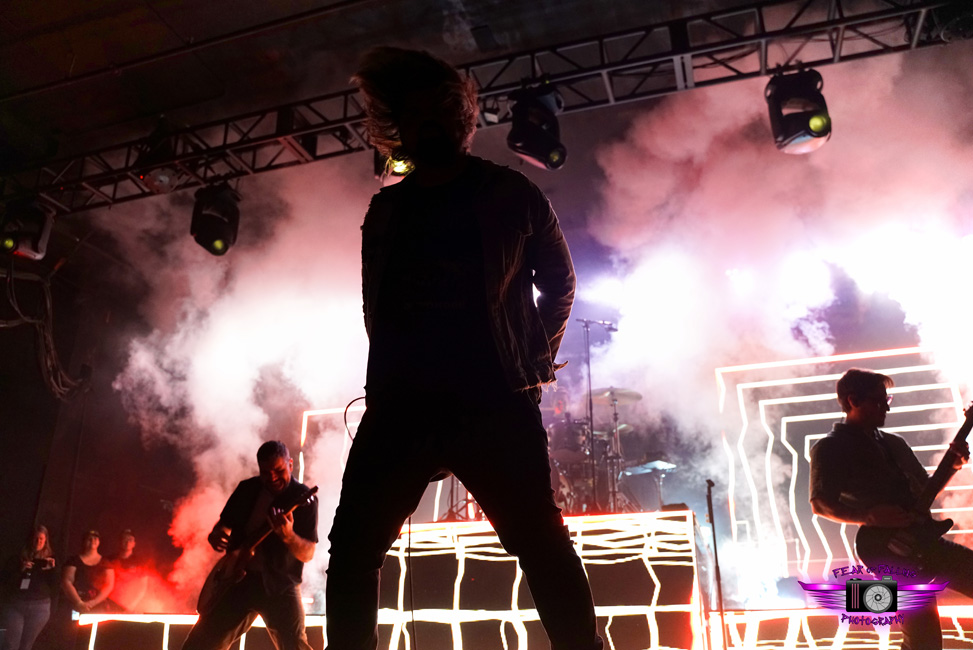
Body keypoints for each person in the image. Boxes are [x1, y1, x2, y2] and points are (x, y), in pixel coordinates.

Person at [324, 47, 602, 650]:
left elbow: (560, 283)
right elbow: (377, 307)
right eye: (414, 113)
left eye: (439, 111)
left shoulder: (512, 191)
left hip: (491, 398)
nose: (428, 123)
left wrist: (530, 363)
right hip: (403, 405)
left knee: (538, 541)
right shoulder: (387, 209)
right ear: (399, 124)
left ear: (462, 120)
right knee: (351, 548)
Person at [809, 368, 973, 650]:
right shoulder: (830, 447)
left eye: (888, 400)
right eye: (878, 401)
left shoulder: (894, 443)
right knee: (924, 636)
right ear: (853, 401)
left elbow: (924, 489)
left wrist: (953, 466)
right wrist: (866, 516)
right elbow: (820, 503)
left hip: (922, 539)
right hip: (888, 548)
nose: (886, 407)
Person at [181, 440, 318, 650]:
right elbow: (223, 525)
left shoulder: (303, 499)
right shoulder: (247, 489)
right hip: (238, 580)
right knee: (200, 644)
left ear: (290, 464)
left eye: (278, 470)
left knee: (295, 646)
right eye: (265, 472)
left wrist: (289, 536)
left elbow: (308, 553)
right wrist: (216, 535)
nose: (271, 477)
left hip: (280, 585)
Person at [0, 525, 58, 650]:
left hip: (39, 607)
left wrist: (51, 570)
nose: (38, 542)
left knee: (26, 646)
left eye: (41, 539)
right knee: (9, 644)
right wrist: (20, 569)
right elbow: (4, 580)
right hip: (16, 605)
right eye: (35, 538)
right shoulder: (17, 558)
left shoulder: (50, 560)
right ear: (30, 539)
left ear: (46, 541)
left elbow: (57, 586)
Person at [62, 530, 115, 614]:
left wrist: (93, 603)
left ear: (99, 542)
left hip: (99, 606)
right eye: (89, 538)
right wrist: (79, 602)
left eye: (95, 538)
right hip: (76, 605)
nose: (92, 540)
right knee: (74, 627)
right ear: (84, 541)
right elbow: (67, 581)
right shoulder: (73, 561)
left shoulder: (106, 562)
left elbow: (109, 584)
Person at [107, 530, 148, 613]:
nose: (127, 542)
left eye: (130, 539)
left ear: (134, 543)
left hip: (134, 606)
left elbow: (143, 587)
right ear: (120, 542)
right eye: (125, 539)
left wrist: (132, 606)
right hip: (112, 604)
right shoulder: (110, 560)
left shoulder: (140, 562)